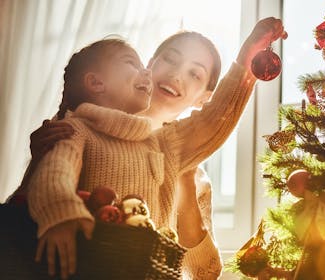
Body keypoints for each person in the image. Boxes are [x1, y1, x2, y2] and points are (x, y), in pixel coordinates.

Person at [19, 17, 287, 279]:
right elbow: (32, 208)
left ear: (204, 99)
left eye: (194, 73)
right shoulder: (76, 128)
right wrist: (40, 170)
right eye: (170, 59)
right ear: (149, 66)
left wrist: (248, 59)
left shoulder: (178, 154)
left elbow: (206, 273)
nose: (175, 74)